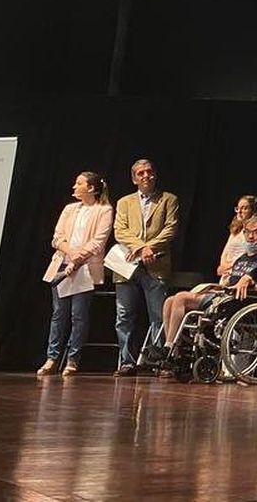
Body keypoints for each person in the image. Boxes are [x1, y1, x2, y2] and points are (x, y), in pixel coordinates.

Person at [155, 217, 257, 357]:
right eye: (247, 232)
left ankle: (169, 348)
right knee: (169, 301)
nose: (250, 236)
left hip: (240, 302)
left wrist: (250, 281)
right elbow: (230, 282)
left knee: (181, 298)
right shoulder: (242, 258)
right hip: (224, 296)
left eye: (256, 232)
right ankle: (171, 348)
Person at [38, 171, 115, 376]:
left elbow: (98, 242)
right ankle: (52, 358)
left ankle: (72, 359)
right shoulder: (69, 209)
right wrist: (71, 255)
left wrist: (78, 260)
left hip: (86, 268)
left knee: (78, 316)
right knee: (58, 314)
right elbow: (57, 238)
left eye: (78, 183)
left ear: (91, 188)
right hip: (63, 265)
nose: (74, 187)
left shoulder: (104, 210)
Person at [112, 159, 180, 376]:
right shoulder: (124, 202)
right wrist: (142, 248)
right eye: (141, 173)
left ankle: (157, 361)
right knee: (124, 316)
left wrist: (149, 248)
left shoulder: (168, 199)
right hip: (127, 265)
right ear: (134, 178)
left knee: (159, 316)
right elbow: (120, 231)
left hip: (155, 264)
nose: (145, 176)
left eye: (149, 172)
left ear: (155, 175)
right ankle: (127, 362)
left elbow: (170, 229)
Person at [219, 196, 257, 275]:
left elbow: (252, 256)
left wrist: (231, 267)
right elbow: (226, 251)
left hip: (240, 273)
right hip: (226, 273)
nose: (239, 211)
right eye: (238, 208)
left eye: (244, 208)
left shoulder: (256, 231)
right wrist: (222, 266)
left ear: (253, 211)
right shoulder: (236, 230)